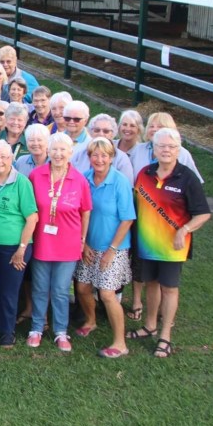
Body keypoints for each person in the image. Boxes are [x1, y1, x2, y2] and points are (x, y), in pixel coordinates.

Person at [129, 128, 211, 358]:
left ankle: (165, 336)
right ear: (153, 149)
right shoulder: (145, 173)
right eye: (161, 146)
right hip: (146, 244)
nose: (166, 150)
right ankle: (150, 326)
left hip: (172, 248)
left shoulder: (187, 177)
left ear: (178, 150)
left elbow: (203, 213)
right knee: (151, 284)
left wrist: (184, 230)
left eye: (171, 146)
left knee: (169, 288)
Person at [27, 132, 91, 352]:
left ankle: (60, 331)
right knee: (40, 287)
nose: (58, 154)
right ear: (48, 151)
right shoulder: (36, 175)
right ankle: (36, 328)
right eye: (54, 149)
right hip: (42, 240)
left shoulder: (79, 179)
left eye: (63, 149)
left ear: (70, 153)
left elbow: (86, 211)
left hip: (68, 242)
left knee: (61, 290)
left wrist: (82, 239)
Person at [74, 137, 135, 358]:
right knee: (82, 288)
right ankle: (91, 321)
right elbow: (79, 213)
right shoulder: (84, 179)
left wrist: (112, 249)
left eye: (104, 155)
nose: (99, 159)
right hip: (89, 245)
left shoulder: (120, 182)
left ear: (111, 158)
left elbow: (127, 219)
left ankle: (120, 343)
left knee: (107, 294)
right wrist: (84, 243)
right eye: (95, 155)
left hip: (114, 247)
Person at [0, 140, 38, 348]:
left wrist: (22, 249)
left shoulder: (22, 182)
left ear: (11, 158)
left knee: (9, 290)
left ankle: (7, 331)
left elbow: (32, 218)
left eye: (4, 157)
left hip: (14, 247)